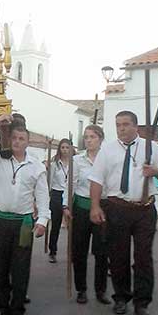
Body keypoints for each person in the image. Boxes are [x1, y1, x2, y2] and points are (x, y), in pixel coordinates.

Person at [89, 110, 158, 315]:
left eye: (126, 124)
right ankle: (121, 297)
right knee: (118, 255)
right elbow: (96, 180)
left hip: (145, 208)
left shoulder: (151, 147)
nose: (121, 128)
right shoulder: (107, 150)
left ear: (136, 126)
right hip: (117, 208)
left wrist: (155, 172)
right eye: (118, 125)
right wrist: (95, 207)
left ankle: (142, 302)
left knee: (143, 256)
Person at [0, 115, 48, 315]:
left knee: (20, 266)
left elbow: (43, 196)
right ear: (10, 140)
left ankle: (17, 308)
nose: (18, 142)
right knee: (0, 265)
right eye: (15, 138)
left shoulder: (36, 166)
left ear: (27, 142)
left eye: (22, 138)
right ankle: (1, 307)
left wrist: (43, 221)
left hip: (23, 223)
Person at [63, 125, 110, 305]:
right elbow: (70, 185)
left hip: (102, 207)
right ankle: (81, 289)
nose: (88, 140)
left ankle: (101, 290)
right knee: (79, 250)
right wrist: (66, 206)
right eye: (86, 137)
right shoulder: (77, 160)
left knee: (101, 251)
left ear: (100, 138)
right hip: (81, 208)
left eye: (92, 136)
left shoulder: (107, 159)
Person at [48, 138, 73, 263]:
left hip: (71, 194)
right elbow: (50, 181)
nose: (65, 150)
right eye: (62, 147)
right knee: (56, 224)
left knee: (73, 225)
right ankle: (53, 251)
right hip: (57, 194)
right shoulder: (55, 164)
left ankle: (73, 251)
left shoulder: (75, 163)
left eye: (67, 147)